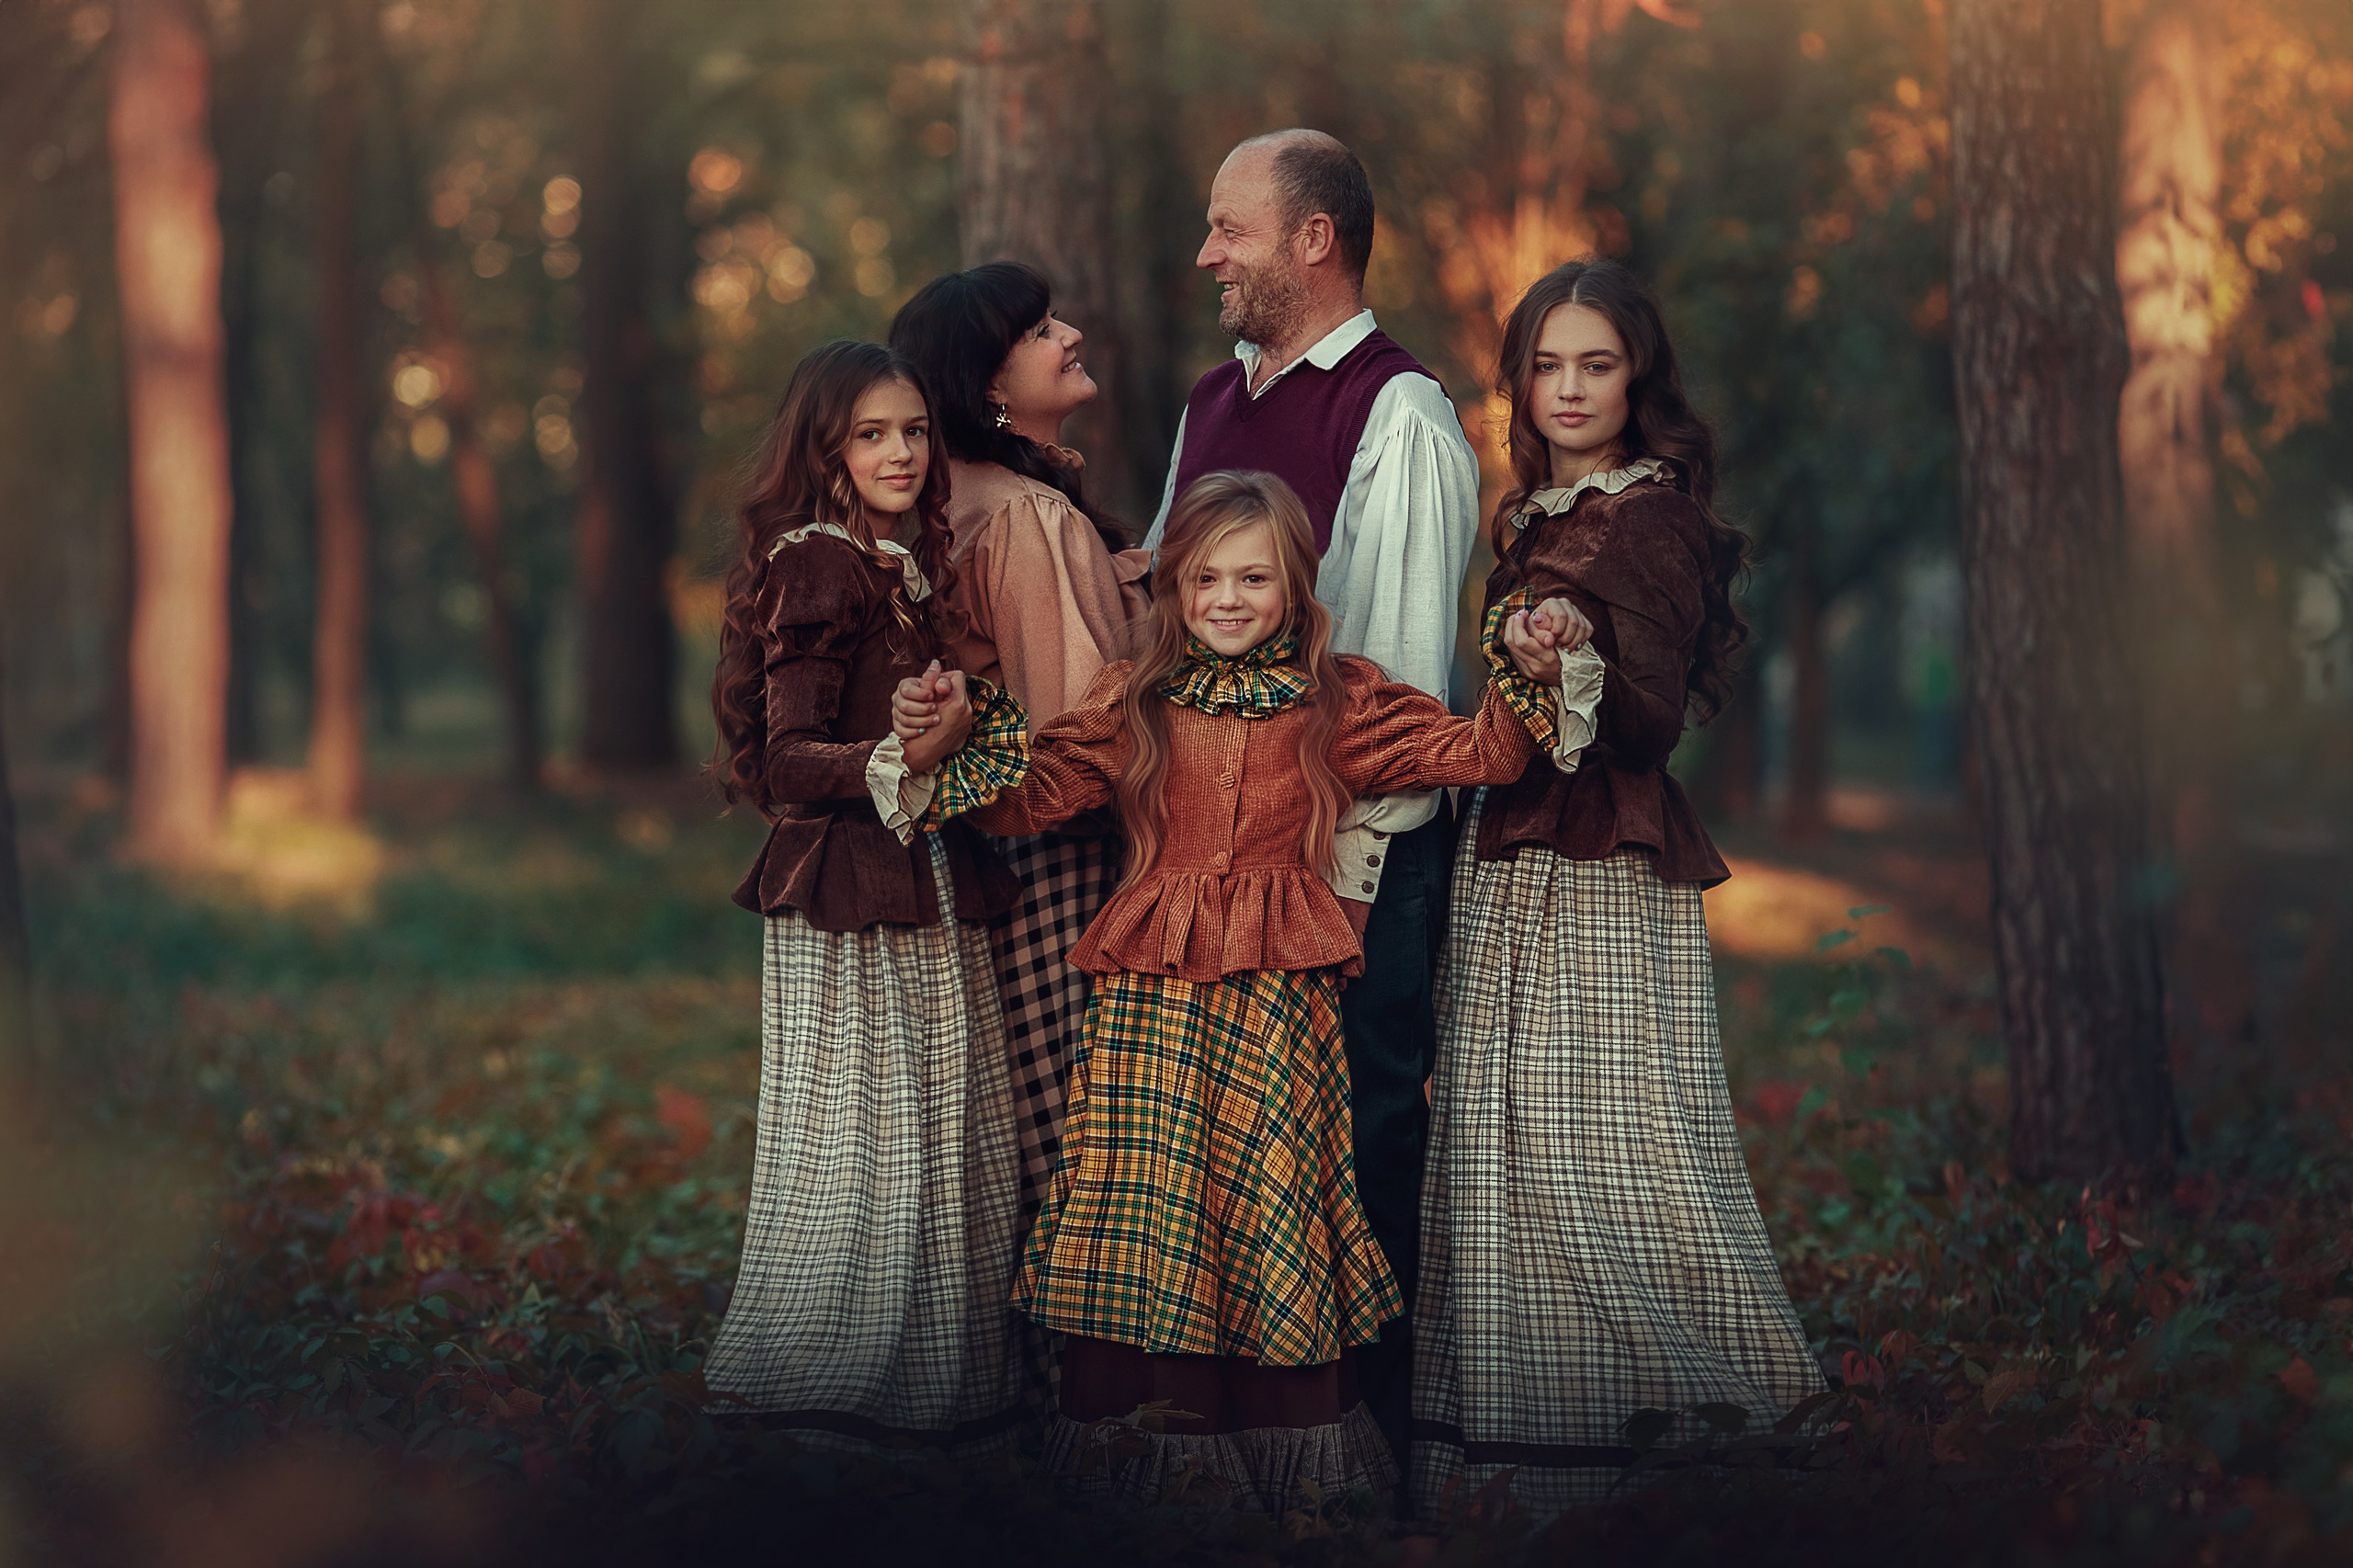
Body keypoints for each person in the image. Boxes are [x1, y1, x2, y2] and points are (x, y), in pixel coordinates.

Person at [879, 471, 1546, 1511]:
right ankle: (1147, 1458)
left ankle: (1284, 1469)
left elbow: (1482, 753)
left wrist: (1530, 664)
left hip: (1280, 1005)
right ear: (1176, 588)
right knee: (1152, 1197)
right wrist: (950, 737)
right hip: (1150, 1000)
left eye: (1255, 578)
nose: (1228, 599)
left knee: (1271, 1193)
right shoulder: (1133, 699)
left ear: (1295, 587)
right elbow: (1030, 798)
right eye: (1205, 579)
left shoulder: (1342, 700)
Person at [1410, 258, 1824, 1517]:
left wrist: (1570, 658)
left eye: (1596, 363)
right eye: (1547, 365)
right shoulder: (1540, 513)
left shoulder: (1646, 516)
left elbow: (1645, 723)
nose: (1570, 388)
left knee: (1592, 1144)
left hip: (1592, 864)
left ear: (1638, 376)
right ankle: (1523, 1438)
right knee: (1506, 1137)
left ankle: (1655, 1442)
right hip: (1514, 850)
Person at [1144, 128, 1481, 1464]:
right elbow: (1170, 616)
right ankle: (1242, 1434)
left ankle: (1371, 1443)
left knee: (1359, 1130)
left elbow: (1389, 681)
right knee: (1234, 1137)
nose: (1205, 254)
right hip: (1209, 856)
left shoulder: (1400, 413)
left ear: (1313, 239)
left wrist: (1330, 868)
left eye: (1228, 228)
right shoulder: (1209, 403)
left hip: (1348, 863)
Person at [700, 339, 1026, 1455]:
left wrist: (951, 723)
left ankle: (928, 1385)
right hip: (851, 889)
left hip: (917, 870)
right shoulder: (818, 562)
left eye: (915, 431)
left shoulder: (897, 561)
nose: (901, 452)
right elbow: (788, 760)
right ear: (824, 448)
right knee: (863, 1136)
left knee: (933, 1123)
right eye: (872, 434)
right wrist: (906, 753)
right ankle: (828, 1390)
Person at [887, 266, 1151, 1347]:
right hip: (1065, 866)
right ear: (986, 382)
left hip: (992, 860)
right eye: (1041, 329)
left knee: (1037, 1142)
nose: (1069, 332)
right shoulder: (1026, 518)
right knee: (1086, 1147)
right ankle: (1091, 1392)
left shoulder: (954, 504)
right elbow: (1079, 730)